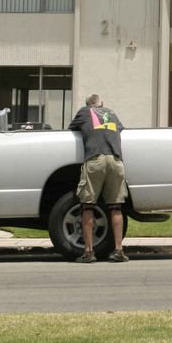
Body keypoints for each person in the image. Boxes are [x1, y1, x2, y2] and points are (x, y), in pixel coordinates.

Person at [68, 93, 128, 263]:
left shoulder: (84, 112)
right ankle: (118, 250)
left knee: (88, 206)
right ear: (102, 104)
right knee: (116, 206)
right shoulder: (112, 113)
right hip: (116, 161)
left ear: (89, 105)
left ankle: (88, 252)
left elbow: (72, 129)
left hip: (95, 159)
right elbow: (119, 129)